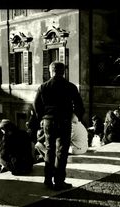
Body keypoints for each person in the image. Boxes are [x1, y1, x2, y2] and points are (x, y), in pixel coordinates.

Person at [33, 61, 85, 191]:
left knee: (49, 150)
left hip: (49, 121)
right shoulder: (70, 87)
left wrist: (42, 118)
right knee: (62, 152)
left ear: (51, 71)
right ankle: (59, 181)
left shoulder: (43, 87)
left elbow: (36, 106)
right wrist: (76, 116)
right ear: (63, 72)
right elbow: (79, 105)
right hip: (64, 121)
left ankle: (47, 180)